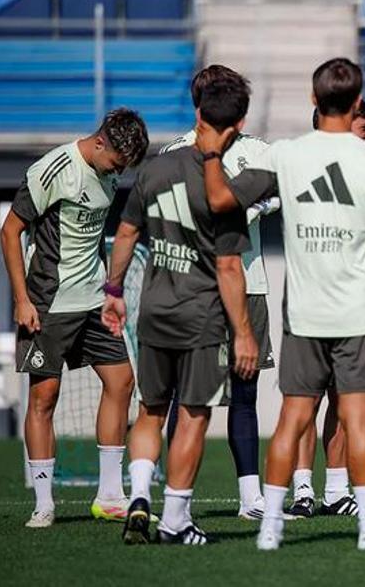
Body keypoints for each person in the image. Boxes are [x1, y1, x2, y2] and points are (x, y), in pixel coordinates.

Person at [197, 57, 365, 551]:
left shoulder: (286, 154)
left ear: (314, 101)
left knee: (292, 418)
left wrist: (211, 153)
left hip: (303, 315)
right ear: (358, 103)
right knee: (356, 421)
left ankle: (271, 528)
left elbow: (220, 202)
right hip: (358, 314)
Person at [104, 73, 259, 546]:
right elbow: (230, 269)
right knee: (192, 414)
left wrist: (113, 290)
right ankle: (175, 520)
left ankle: (139, 498)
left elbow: (127, 233)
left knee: (150, 410)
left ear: (197, 114)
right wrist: (245, 333)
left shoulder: (153, 168)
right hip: (201, 318)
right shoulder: (226, 188)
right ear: (238, 125)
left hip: (153, 311)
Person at [1, 109, 149, 528]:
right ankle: (44, 502)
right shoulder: (52, 169)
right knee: (44, 399)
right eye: (117, 163)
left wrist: (110, 293)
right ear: (100, 142)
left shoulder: (108, 172)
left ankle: (108, 495)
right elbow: (9, 232)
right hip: (48, 304)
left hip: (93, 303)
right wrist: (22, 299)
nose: (118, 171)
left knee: (122, 383)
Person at [160, 65, 279, 520]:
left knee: (245, 395)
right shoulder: (175, 151)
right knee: (185, 399)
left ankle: (251, 498)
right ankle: (176, 502)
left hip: (249, 286)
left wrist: (245, 206)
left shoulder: (258, 152)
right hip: (192, 291)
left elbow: (280, 192)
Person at [289, 98, 365, 518]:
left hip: (354, 305)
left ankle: (336, 491)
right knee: (304, 403)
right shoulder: (303, 170)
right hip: (312, 304)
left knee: (346, 402)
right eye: (363, 129)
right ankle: (302, 490)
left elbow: (360, 240)